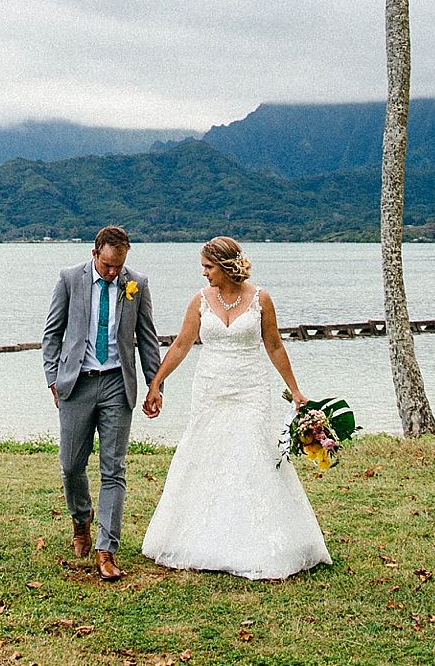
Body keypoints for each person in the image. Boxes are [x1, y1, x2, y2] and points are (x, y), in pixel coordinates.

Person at [139, 236, 331, 580]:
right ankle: (204, 537)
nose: (204, 274)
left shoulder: (261, 299)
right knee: (206, 454)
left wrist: (295, 390)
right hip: (210, 387)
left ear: (227, 267)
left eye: (209, 267)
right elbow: (182, 344)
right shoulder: (199, 300)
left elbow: (273, 346)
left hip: (250, 388)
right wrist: (156, 383)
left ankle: (259, 541)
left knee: (253, 454)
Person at [42, 224, 162, 581]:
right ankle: (81, 520)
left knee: (114, 470)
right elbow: (52, 334)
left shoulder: (136, 283)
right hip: (76, 384)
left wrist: (154, 385)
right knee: (70, 465)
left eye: (119, 267)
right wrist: (53, 379)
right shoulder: (69, 279)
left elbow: (147, 338)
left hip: (116, 384)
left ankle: (106, 549)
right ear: (95, 254)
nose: (113, 273)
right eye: (108, 266)